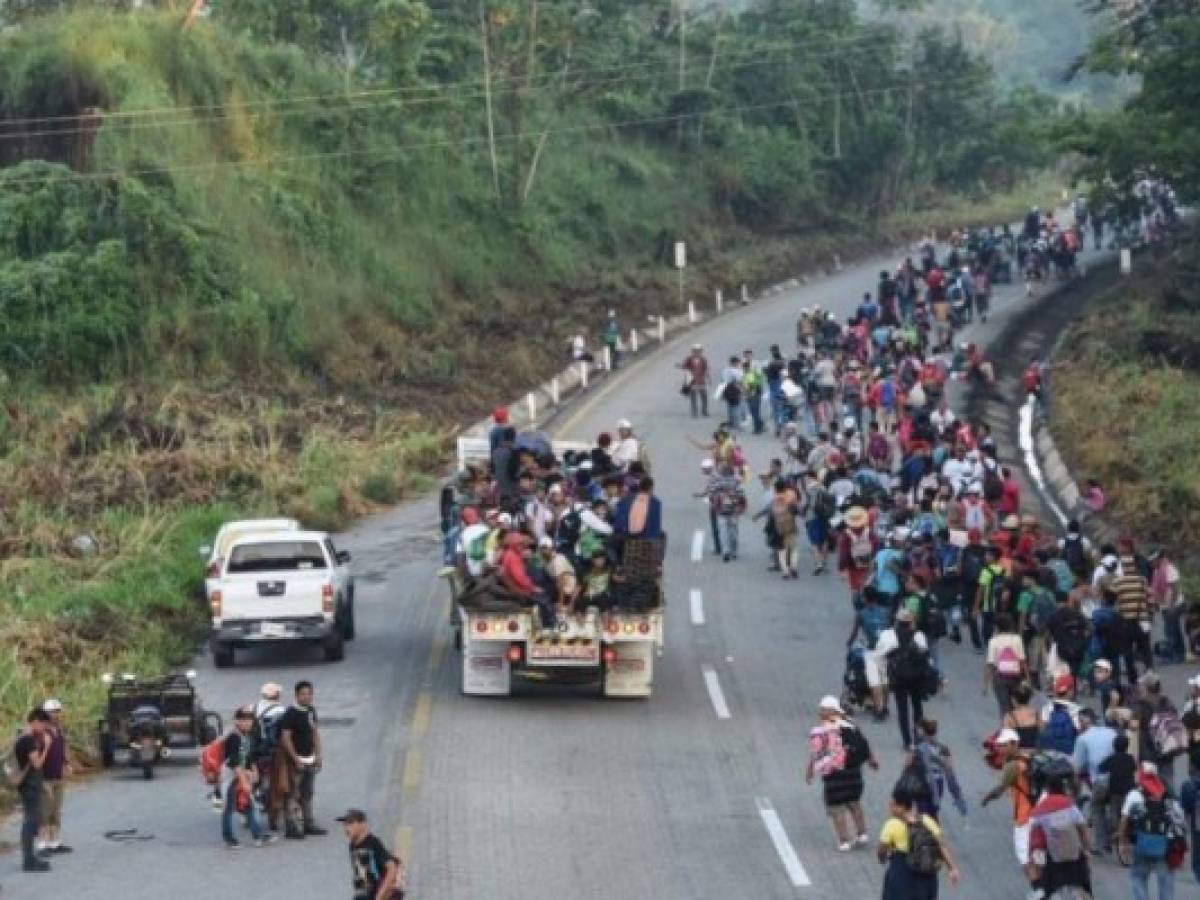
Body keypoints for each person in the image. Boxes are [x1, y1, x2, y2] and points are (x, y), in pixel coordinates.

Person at [805, 695, 879, 851]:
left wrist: (810, 770)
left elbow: (816, 753)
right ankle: (862, 833)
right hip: (854, 772)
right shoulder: (851, 725)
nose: (820, 713)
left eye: (822, 710)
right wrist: (872, 760)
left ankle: (844, 841)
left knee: (836, 808)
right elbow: (864, 744)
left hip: (833, 774)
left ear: (828, 711)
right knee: (854, 803)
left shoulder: (822, 730)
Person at [980, 729, 1039, 898]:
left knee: (1024, 857)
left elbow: (1001, 788)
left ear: (1014, 744)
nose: (1000, 748)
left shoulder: (1013, 765)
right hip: (1039, 812)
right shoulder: (1030, 756)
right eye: (999, 745)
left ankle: (1038, 890)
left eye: (1003, 745)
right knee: (1037, 855)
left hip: (1024, 815)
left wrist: (987, 798)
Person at [877, 787, 961, 900]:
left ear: (901, 807)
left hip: (901, 870)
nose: (890, 807)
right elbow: (942, 845)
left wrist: (882, 857)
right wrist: (952, 868)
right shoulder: (926, 820)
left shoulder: (892, 824)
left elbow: (882, 849)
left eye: (893, 805)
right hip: (926, 872)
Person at [1120, 761, 1186, 900]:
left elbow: (1124, 820)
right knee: (1166, 882)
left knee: (1138, 877)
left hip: (1141, 844)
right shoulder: (1168, 794)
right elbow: (1180, 819)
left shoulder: (1134, 794)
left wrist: (1122, 843)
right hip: (1165, 846)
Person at [1028, 775, 1092, 898]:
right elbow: (1083, 828)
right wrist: (1087, 848)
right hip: (1075, 855)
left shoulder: (1040, 809)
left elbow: (1034, 833)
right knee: (1082, 884)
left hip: (1054, 856)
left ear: (1047, 789)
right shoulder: (1069, 804)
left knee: (1050, 888)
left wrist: (1033, 855)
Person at [221, 705, 275, 849]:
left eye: (249, 720)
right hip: (231, 777)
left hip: (242, 775)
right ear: (236, 721)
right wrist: (244, 780)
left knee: (249, 806)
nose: (246, 723)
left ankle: (258, 836)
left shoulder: (247, 737)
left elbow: (249, 757)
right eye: (242, 720)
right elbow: (233, 761)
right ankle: (229, 839)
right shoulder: (233, 737)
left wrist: (254, 770)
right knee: (229, 809)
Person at [879, 608, 930, 750]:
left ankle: (907, 741)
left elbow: (882, 653)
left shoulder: (889, 635)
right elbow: (925, 652)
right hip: (916, 676)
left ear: (897, 621)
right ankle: (918, 738)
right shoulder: (918, 635)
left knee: (902, 710)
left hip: (898, 676)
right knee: (917, 707)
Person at [280, 681, 325, 840]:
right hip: (295, 761)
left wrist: (318, 755)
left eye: (309, 693)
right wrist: (295, 758)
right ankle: (291, 826)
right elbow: (286, 738)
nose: (307, 697)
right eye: (303, 694)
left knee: (308, 792)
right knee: (292, 794)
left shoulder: (311, 711)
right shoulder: (290, 713)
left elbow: (315, 733)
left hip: (310, 759)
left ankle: (308, 824)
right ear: (296, 695)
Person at [14, 708, 52, 872]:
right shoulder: (28, 740)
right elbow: (36, 764)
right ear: (35, 721)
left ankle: (30, 857)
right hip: (29, 786)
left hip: (28, 784)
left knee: (31, 820)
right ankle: (28, 860)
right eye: (43, 724)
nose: (44, 728)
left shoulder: (20, 737)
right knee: (30, 822)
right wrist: (46, 747)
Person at [338, 809, 406, 900]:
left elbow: (392, 869)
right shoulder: (353, 845)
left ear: (363, 824)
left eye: (350, 824)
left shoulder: (373, 843)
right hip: (365, 892)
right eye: (345, 824)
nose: (346, 828)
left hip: (382, 891)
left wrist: (379, 896)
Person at [38, 698, 71, 856]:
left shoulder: (59, 730)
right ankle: (43, 844)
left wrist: (66, 763)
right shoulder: (40, 732)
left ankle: (54, 842)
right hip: (44, 777)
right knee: (45, 811)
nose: (55, 715)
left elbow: (61, 749)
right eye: (52, 712)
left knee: (56, 811)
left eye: (57, 711)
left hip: (58, 775)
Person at [983, 613, 1027, 716]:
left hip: (1000, 678)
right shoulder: (1017, 639)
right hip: (1016, 677)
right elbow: (1022, 661)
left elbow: (990, 664)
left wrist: (985, 684)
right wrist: (1027, 679)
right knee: (1016, 705)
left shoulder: (993, 641)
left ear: (997, 627)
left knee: (1004, 707)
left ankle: (1006, 727)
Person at [1149, 548, 1188, 664]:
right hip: (1165, 605)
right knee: (1174, 630)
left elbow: (1175, 588)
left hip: (1174, 604)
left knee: (1170, 631)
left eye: (1153, 560)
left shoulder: (1169, 568)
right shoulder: (1157, 571)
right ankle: (1181, 653)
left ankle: (1174, 655)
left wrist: (1171, 605)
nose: (1152, 563)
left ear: (1158, 559)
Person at [680, 344, 710, 418]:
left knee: (704, 396)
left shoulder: (703, 359)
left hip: (701, 380)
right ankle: (694, 412)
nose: (697, 352)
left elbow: (706, 369)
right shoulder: (689, 359)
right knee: (693, 397)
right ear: (693, 351)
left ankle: (704, 411)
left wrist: (708, 378)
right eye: (695, 351)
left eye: (699, 351)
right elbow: (684, 366)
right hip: (692, 380)